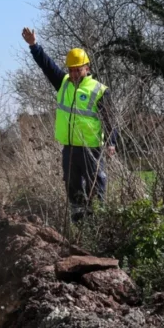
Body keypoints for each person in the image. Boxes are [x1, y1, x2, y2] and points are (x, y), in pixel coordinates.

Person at [22, 27, 117, 222]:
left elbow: (109, 119)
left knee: (95, 185)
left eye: (78, 69)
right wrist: (34, 46)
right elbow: (47, 66)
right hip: (70, 147)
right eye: (71, 70)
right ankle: (79, 222)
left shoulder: (99, 90)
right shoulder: (63, 83)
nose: (74, 73)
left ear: (87, 68)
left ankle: (98, 222)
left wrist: (111, 142)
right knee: (72, 185)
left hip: (91, 148)